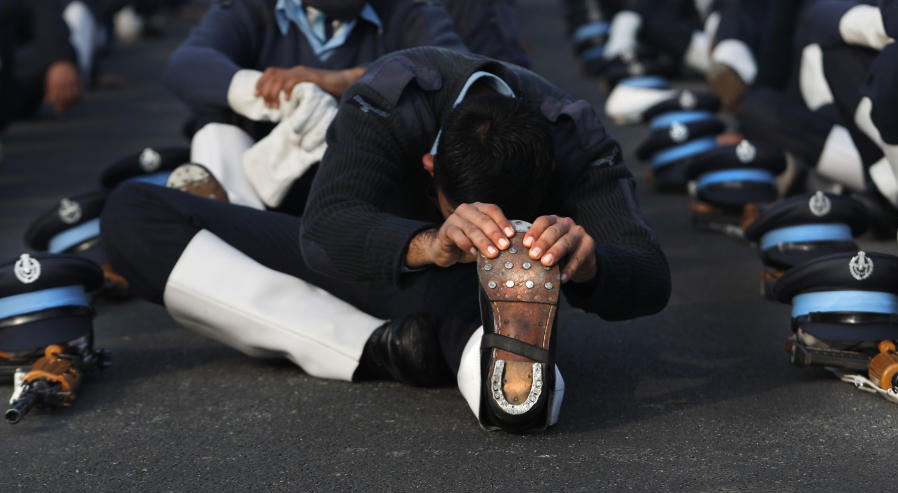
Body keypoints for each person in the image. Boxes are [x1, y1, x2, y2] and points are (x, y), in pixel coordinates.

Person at [100, 47, 671, 433]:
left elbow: (650, 275)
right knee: (133, 209)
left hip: (458, 300)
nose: (490, 238)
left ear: (549, 181)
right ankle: (388, 347)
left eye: (505, 228)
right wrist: (434, 243)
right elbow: (325, 231)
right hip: (372, 258)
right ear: (430, 165)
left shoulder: (576, 136)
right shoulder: (394, 96)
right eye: (472, 217)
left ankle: (507, 379)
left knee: (481, 333)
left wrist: (594, 263)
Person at [162, 0, 468, 211]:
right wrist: (285, 96)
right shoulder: (252, 9)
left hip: (365, 184)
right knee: (215, 117)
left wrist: (343, 81)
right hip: (262, 173)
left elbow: (452, 70)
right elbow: (187, 64)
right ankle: (219, 220)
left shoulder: (408, 11)